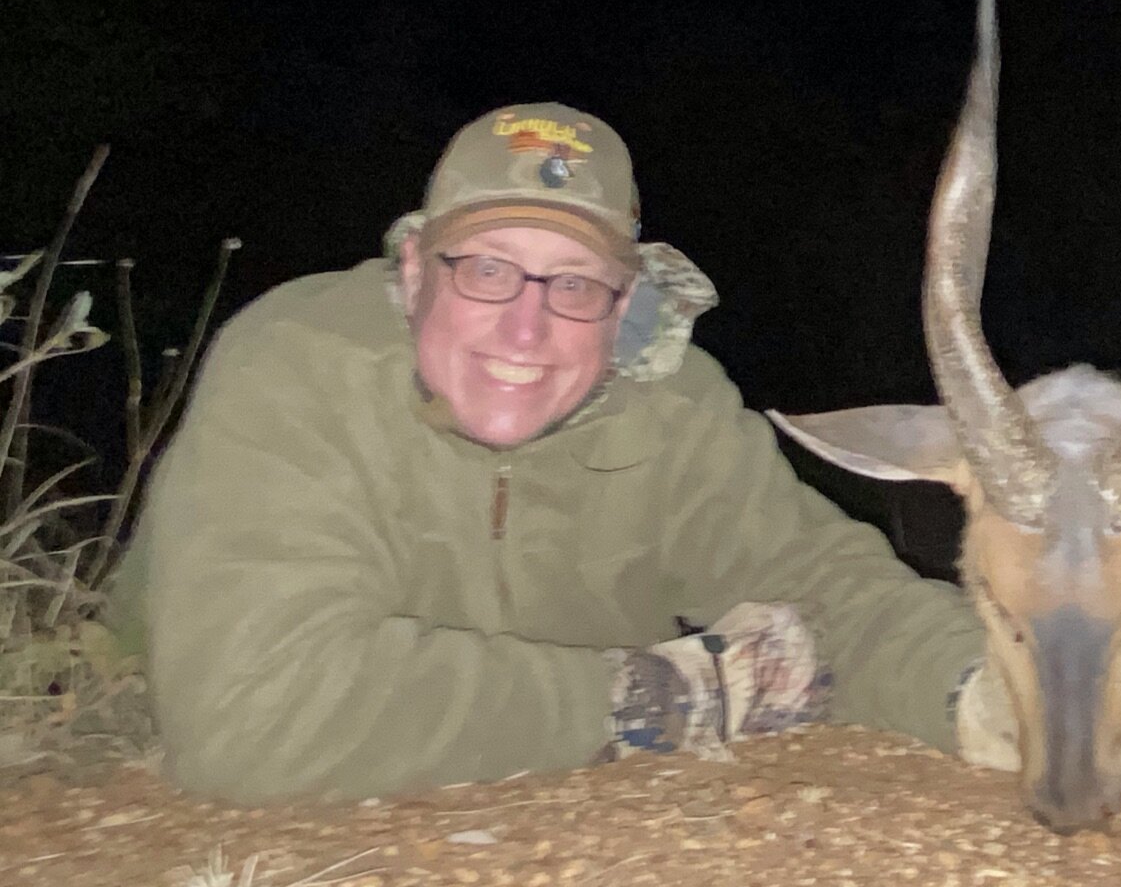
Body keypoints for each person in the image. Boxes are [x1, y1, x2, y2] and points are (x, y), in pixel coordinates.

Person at [109, 103, 1017, 804]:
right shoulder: (295, 364)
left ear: (625, 308)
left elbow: (821, 585)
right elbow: (254, 717)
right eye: (490, 269)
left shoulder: (672, 403)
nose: (527, 326)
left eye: (575, 284)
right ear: (418, 268)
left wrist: (982, 688)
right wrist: (658, 700)